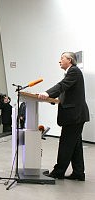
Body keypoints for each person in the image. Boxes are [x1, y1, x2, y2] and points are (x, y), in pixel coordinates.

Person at [38, 52, 89, 181]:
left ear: (70, 60)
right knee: (75, 145)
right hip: (76, 116)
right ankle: (78, 173)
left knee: (66, 144)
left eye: (62, 58)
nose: (59, 61)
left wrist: (47, 93)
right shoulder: (71, 73)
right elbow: (65, 91)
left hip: (74, 116)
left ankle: (58, 172)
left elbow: (61, 86)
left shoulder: (74, 71)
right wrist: (51, 98)